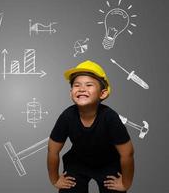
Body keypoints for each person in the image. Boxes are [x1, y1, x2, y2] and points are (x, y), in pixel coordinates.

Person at [47, 60, 134, 193]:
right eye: (77, 85)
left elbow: (127, 153)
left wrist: (125, 183)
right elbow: (52, 150)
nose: (82, 89)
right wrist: (55, 179)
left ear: (103, 93)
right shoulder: (67, 116)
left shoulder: (110, 117)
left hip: (108, 163)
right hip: (77, 162)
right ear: (71, 92)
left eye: (89, 85)